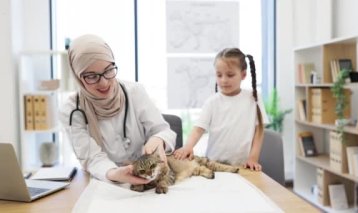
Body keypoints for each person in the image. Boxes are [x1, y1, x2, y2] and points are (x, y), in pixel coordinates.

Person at [59, 34, 176, 184]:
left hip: (148, 179)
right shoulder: (71, 111)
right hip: (106, 182)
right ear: (77, 77)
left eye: (108, 70)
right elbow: (91, 157)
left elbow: (165, 132)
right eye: (92, 76)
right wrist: (113, 173)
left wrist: (159, 139)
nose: (104, 83)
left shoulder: (135, 92)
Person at [174, 47, 267, 171]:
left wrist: (253, 158)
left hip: (243, 165)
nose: (224, 80)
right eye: (219, 75)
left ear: (243, 74)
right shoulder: (212, 102)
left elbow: (259, 130)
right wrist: (188, 146)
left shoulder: (253, 98)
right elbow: (198, 129)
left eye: (230, 75)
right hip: (214, 165)